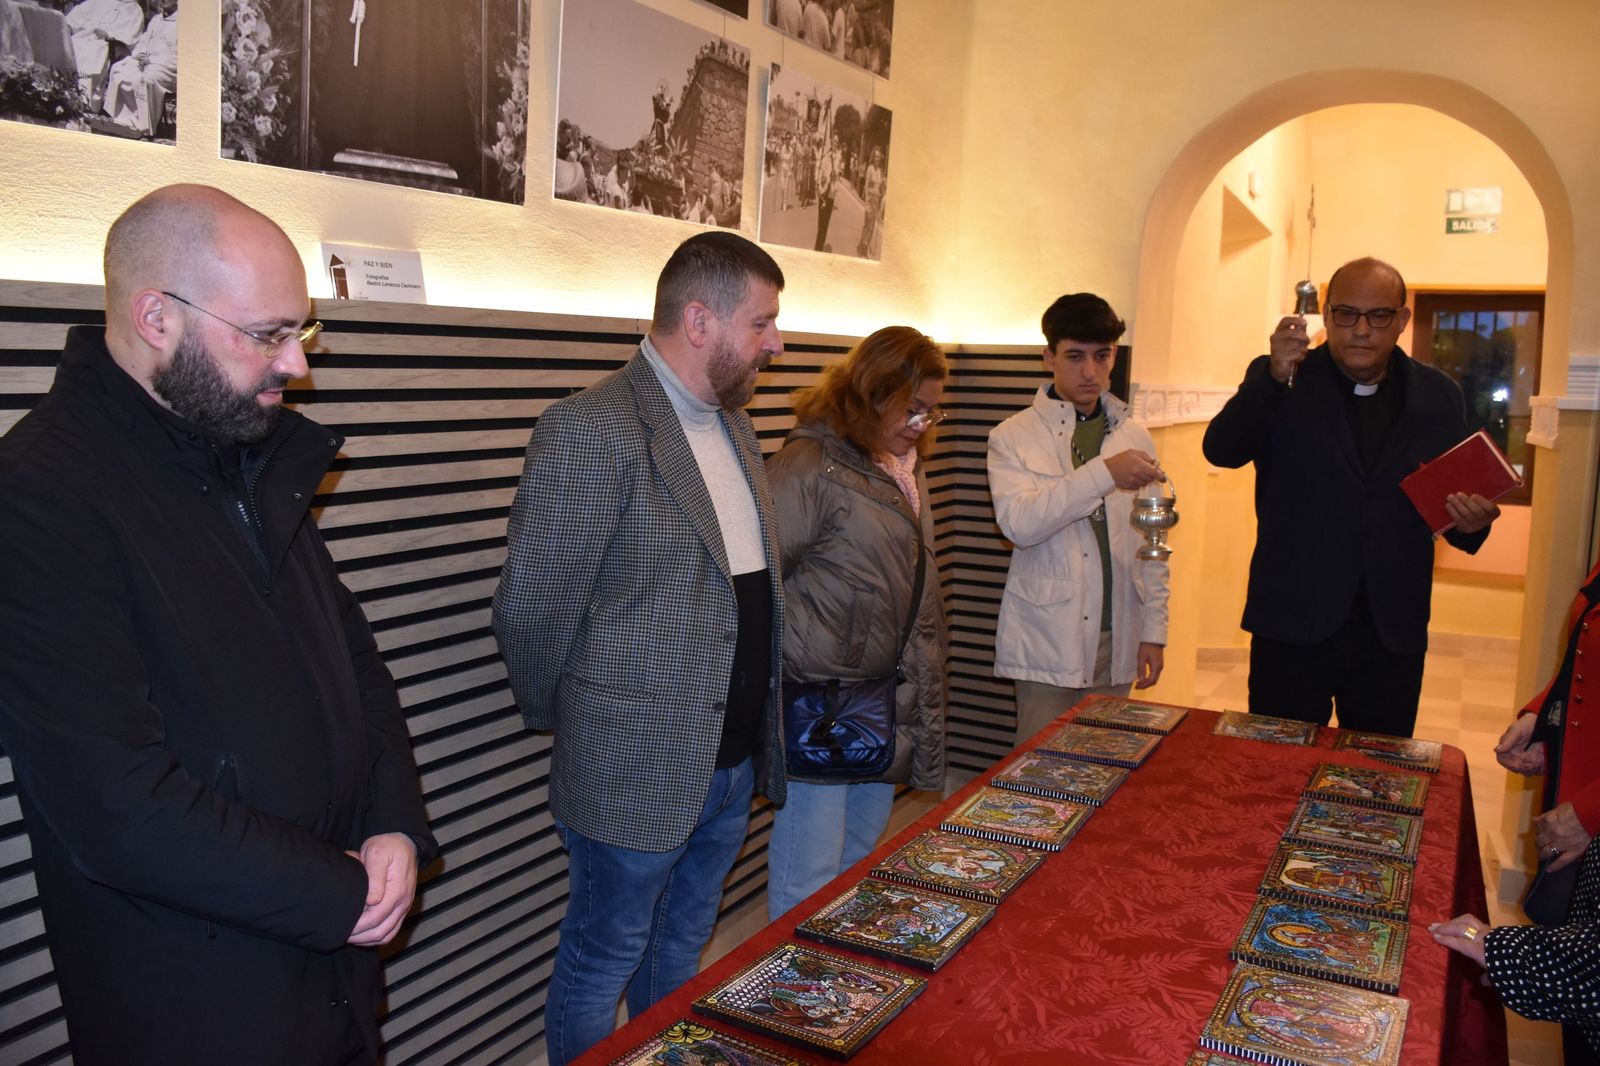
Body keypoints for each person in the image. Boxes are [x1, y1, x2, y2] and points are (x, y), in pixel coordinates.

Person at [0, 185, 435, 1064]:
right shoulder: (40, 494)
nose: (297, 367)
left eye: (298, 333)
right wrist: (336, 894)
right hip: (195, 1004)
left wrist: (393, 821)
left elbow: (354, 664)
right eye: (268, 334)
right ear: (156, 315)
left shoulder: (240, 448)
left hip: (328, 976)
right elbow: (114, 805)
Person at [491, 232, 788, 1066]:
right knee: (601, 961)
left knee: (679, 954)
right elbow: (531, 610)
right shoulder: (594, 429)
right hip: (633, 766)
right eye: (762, 322)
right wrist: (582, 721)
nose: (777, 341)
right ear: (700, 320)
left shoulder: (737, 430)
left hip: (728, 766)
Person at [1202, 257, 1500, 737]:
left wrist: (1472, 521)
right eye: (1345, 314)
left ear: (1401, 320)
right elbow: (1222, 451)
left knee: (1377, 780)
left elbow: (1455, 497)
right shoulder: (1283, 379)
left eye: (1378, 315)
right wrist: (1273, 378)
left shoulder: (1439, 395)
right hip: (1293, 621)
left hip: (1391, 628)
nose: (1361, 330)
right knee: (1276, 772)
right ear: (1326, 312)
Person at [764, 326, 950, 920]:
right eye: (912, 408)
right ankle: (788, 998)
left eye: (930, 412)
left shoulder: (902, 466)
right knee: (807, 876)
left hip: (881, 693)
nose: (922, 424)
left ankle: (837, 983)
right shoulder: (807, 464)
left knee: (858, 862)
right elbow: (759, 581)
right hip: (820, 699)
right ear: (874, 392)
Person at [987, 293, 1169, 740]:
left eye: (1102, 355)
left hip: (1120, 630)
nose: (1090, 371)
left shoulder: (1135, 435)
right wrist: (1104, 473)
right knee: (1036, 777)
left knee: (1106, 768)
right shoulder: (1012, 436)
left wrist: (1155, 630)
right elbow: (1020, 526)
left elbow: (1155, 543)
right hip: (1048, 638)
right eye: (1075, 356)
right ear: (1049, 358)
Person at [102, 0, 177, 136]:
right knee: (119, 69)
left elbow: (179, 58)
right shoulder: (156, 19)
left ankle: (145, 126)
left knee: (147, 79)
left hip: (168, 69)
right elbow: (143, 42)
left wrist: (152, 60)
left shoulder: (182, 24)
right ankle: (122, 119)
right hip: (146, 62)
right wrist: (141, 54)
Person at [64, 0, 145, 101]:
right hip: (82, 39)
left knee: (93, 51)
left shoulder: (134, 9)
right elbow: (73, 19)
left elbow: (131, 37)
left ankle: (84, 99)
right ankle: (65, 94)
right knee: (71, 45)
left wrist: (109, 35)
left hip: (109, 45)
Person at [813, 129, 838, 253]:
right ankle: (817, 247)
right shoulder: (825, 157)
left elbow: (837, 176)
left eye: (837, 142)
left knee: (826, 224)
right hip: (823, 194)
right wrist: (820, 183)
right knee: (821, 223)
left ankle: (820, 245)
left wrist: (835, 174)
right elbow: (819, 172)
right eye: (834, 141)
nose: (835, 144)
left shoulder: (838, 158)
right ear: (831, 143)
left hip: (831, 194)